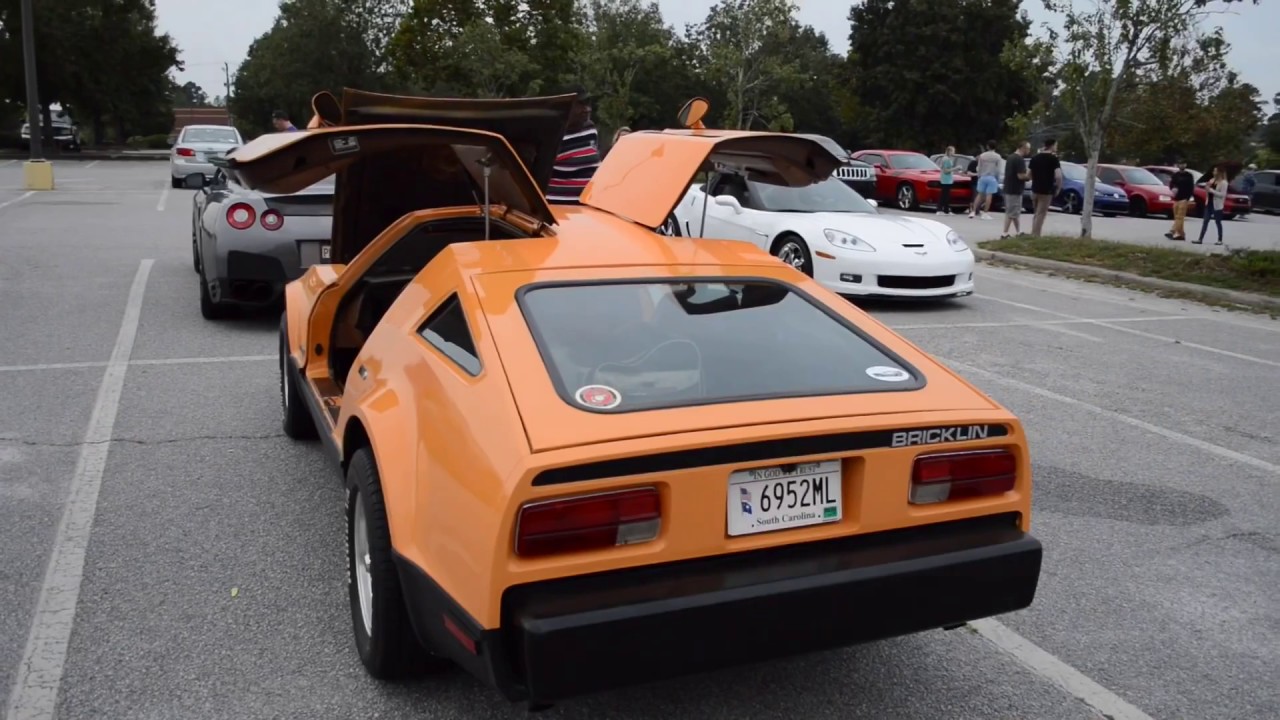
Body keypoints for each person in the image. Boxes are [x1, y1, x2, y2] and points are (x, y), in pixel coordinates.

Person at [547, 84, 601, 205]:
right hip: (558, 209)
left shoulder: (590, 129)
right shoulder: (551, 135)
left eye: (588, 103)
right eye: (581, 104)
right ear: (565, 107)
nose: (587, 109)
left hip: (588, 206)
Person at [1027, 138, 1063, 237]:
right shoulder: (1053, 159)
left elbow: (1028, 174)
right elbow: (1058, 176)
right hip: (1046, 190)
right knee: (1041, 214)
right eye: (1056, 145)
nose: (1056, 147)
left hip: (1035, 189)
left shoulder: (1035, 158)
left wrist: (1036, 178)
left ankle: (1033, 232)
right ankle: (1036, 235)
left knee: (1036, 213)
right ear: (1052, 146)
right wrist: (1058, 187)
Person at [999, 141, 1031, 238]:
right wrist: (1029, 177)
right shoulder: (1019, 159)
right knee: (1012, 212)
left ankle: (1019, 231)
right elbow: (1020, 176)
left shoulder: (1010, 157)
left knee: (1014, 211)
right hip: (1015, 189)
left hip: (1008, 187)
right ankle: (1004, 233)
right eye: (1028, 148)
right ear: (1023, 148)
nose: (1029, 151)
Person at [1195, 165, 1228, 245]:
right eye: (1213, 171)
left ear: (1219, 172)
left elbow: (1222, 195)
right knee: (1205, 221)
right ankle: (1200, 239)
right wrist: (1207, 188)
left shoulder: (1224, 183)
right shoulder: (1212, 180)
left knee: (1218, 222)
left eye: (1215, 171)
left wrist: (1211, 190)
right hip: (1209, 203)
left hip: (1217, 205)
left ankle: (1220, 239)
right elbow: (1208, 191)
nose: (1213, 172)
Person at [969, 140, 1001, 219]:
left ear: (987, 146)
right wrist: (997, 179)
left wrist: (979, 176)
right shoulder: (997, 156)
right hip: (992, 177)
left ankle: (973, 211)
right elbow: (998, 169)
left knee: (980, 194)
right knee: (989, 195)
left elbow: (979, 167)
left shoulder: (982, 156)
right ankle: (985, 213)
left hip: (982, 176)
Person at [1165, 159, 1195, 241]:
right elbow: (1171, 184)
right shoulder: (1176, 175)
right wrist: (1173, 189)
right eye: (1180, 164)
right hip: (1176, 198)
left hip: (1184, 198)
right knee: (1177, 217)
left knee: (1180, 216)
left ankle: (1173, 231)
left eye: (1183, 163)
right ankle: (1181, 234)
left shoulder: (1189, 176)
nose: (1182, 165)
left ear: (1186, 165)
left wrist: (1187, 198)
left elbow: (1191, 187)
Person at [937, 146, 957, 215]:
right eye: (953, 151)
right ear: (949, 151)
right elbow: (945, 170)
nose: (954, 152)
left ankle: (946, 210)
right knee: (944, 195)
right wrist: (955, 168)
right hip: (946, 180)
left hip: (948, 179)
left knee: (946, 195)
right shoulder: (946, 159)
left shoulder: (947, 159)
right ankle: (939, 209)